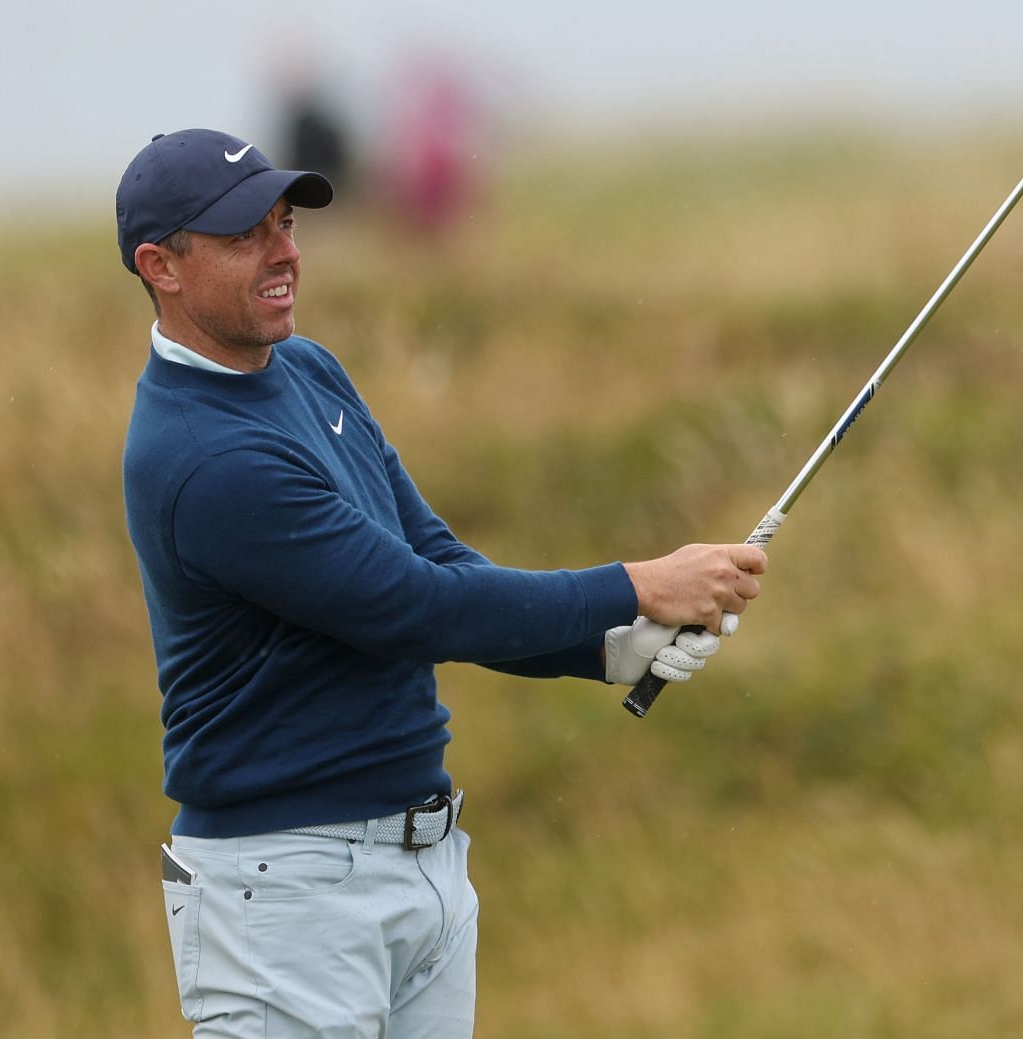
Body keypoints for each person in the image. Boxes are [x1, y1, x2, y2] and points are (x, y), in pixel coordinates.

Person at [116, 129, 766, 1037]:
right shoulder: (203, 458)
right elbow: (415, 608)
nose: (286, 253)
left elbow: (439, 560)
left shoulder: (306, 369)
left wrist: (603, 649)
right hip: (288, 897)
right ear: (161, 266)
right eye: (244, 237)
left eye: (286, 221)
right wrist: (638, 585)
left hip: (420, 867)